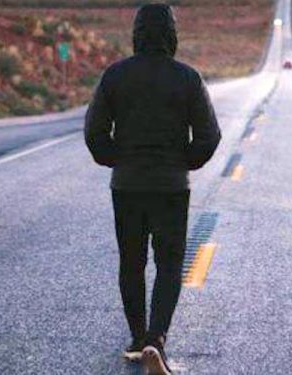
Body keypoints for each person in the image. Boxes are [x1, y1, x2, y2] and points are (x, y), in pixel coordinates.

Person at [84, 4, 221, 374]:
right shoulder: (187, 78)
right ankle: (156, 339)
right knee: (169, 264)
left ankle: (136, 337)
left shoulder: (115, 76)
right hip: (171, 186)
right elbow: (210, 135)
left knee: (132, 262)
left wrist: (118, 160)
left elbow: (94, 133)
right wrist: (185, 162)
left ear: (137, 32)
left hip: (127, 185)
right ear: (171, 33)